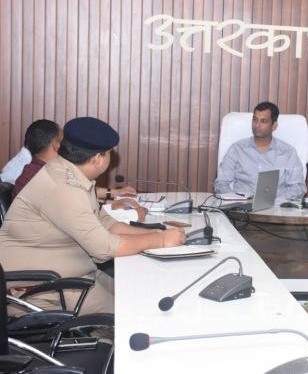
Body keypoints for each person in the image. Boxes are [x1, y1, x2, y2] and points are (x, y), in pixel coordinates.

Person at [0, 117, 186, 314]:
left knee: (138, 295)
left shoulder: (68, 172)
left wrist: (157, 233)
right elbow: (103, 247)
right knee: (131, 317)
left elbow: (105, 222)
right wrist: (161, 240)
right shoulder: (63, 188)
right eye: (109, 153)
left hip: (73, 274)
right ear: (98, 159)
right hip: (45, 287)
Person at [2, 119, 137, 202]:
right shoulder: (45, 177)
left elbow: (80, 190)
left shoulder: (37, 169)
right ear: (56, 146)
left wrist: (114, 194)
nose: (70, 145)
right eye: (65, 141)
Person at [214, 102, 306, 199]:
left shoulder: (288, 152)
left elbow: (298, 188)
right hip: (240, 205)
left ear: (274, 126)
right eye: (255, 120)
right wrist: (236, 199)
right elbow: (221, 184)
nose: (257, 125)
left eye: (263, 121)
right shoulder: (236, 149)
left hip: (276, 206)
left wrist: (276, 201)